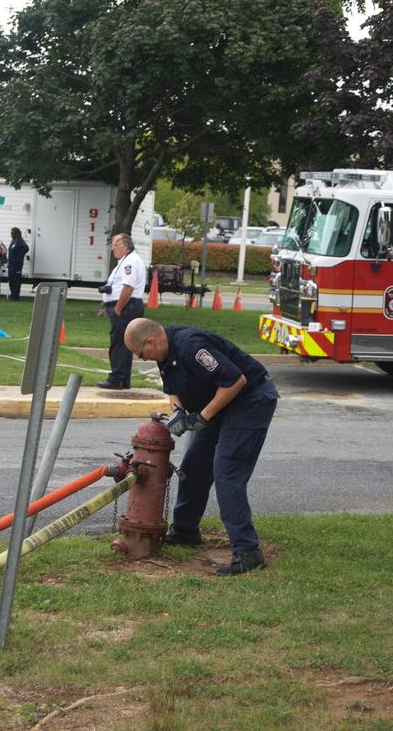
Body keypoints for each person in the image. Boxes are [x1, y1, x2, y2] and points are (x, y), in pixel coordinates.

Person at [124, 318, 279, 576]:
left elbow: (235, 381)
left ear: (150, 341)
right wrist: (179, 412)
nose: (143, 359)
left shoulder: (191, 347)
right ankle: (185, 532)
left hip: (250, 400)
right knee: (193, 469)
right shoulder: (164, 353)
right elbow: (173, 388)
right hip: (220, 405)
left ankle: (247, 551)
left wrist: (203, 417)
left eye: (141, 354)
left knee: (227, 472)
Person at [96, 233, 146, 390]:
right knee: (126, 343)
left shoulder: (129, 262)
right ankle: (124, 379)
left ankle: (116, 378)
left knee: (119, 343)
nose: (113, 249)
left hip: (126, 307)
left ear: (126, 246)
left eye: (115, 245)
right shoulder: (127, 260)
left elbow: (128, 287)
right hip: (128, 306)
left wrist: (118, 308)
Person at [7, 227, 29, 300]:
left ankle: (16, 296)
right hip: (11, 264)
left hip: (17, 265)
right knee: (11, 280)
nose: (11, 234)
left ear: (17, 233)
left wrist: (19, 256)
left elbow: (26, 248)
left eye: (12, 233)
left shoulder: (20, 241)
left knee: (16, 280)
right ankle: (12, 294)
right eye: (11, 233)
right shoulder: (13, 241)